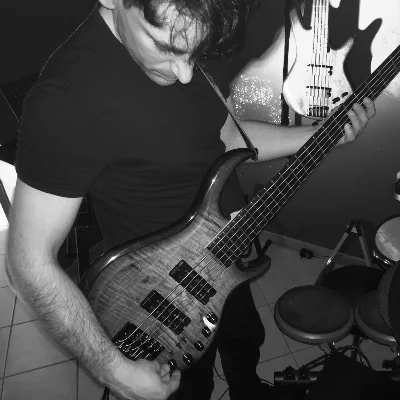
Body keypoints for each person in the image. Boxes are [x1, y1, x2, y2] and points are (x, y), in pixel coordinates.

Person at [5, 1, 376, 399]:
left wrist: (321, 135)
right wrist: (116, 370)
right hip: (161, 295)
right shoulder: (65, 101)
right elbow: (28, 264)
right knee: (192, 388)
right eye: (165, 47)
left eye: (195, 52)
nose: (185, 73)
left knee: (244, 340)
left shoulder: (198, 26)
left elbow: (227, 138)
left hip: (228, 248)